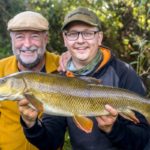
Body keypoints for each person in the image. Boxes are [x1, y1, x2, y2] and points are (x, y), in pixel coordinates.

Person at [19, 7, 149, 150]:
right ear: (65, 39)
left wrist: (113, 129)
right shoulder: (56, 81)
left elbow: (143, 140)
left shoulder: (124, 72)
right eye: (73, 34)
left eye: (88, 33)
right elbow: (51, 143)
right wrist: (31, 125)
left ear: (99, 38)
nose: (80, 40)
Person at [0, 11, 60, 150]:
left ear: (46, 39)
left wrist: (72, 56)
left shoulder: (62, 67)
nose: (27, 44)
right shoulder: (0, 69)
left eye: (34, 36)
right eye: (20, 37)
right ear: (12, 40)